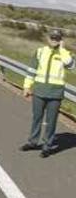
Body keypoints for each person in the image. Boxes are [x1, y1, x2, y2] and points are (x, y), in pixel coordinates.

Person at [20, 29, 74, 157]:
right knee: (36, 118)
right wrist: (27, 86)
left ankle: (47, 146)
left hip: (55, 94)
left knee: (51, 121)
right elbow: (32, 70)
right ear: (48, 38)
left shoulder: (65, 54)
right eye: (52, 37)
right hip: (39, 91)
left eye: (57, 38)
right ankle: (33, 142)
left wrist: (62, 49)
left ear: (61, 40)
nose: (54, 40)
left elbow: (71, 66)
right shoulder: (40, 52)